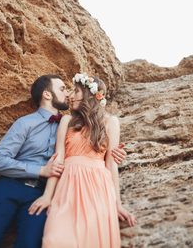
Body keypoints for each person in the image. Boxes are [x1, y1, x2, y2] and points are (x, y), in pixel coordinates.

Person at [0, 74, 127, 248]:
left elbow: (99, 147)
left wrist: (113, 153)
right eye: (62, 89)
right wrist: (41, 171)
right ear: (47, 94)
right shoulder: (25, 123)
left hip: (42, 191)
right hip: (9, 187)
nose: (68, 93)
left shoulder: (70, 123)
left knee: (30, 244)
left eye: (72, 90)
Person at [29, 73, 137, 248]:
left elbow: (111, 164)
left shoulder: (111, 122)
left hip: (98, 188)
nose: (70, 96)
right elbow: (58, 160)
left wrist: (118, 204)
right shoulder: (67, 120)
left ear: (89, 95)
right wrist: (48, 196)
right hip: (68, 185)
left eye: (76, 92)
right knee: (53, 240)